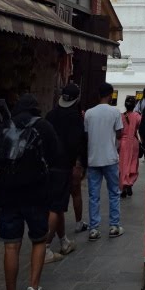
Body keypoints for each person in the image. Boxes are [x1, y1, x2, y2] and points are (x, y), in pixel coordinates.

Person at [0, 93, 60, 290]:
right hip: (36, 193)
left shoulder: (2, 127)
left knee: (11, 245)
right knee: (38, 240)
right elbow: (56, 156)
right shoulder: (44, 127)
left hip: (7, 194)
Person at [44, 83, 86, 263]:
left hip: (47, 165)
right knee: (55, 207)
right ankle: (44, 247)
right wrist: (79, 164)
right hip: (63, 166)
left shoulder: (50, 115)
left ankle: (63, 241)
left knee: (57, 204)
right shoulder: (75, 118)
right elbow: (78, 143)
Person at [84, 82, 124, 240]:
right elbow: (120, 133)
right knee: (114, 192)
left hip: (93, 158)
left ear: (98, 95)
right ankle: (114, 226)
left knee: (93, 195)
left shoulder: (89, 113)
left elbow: (87, 135)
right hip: (110, 157)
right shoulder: (115, 112)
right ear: (111, 94)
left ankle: (94, 228)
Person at [119, 96, 142, 197]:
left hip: (123, 143)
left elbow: (118, 131)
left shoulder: (121, 116)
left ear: (125, 105)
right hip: (133, 142)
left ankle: (123, 186)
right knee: (133, 164)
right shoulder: (137, 116)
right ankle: (130, 183)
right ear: (134, 105)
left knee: (123, 165)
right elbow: (141, 128)